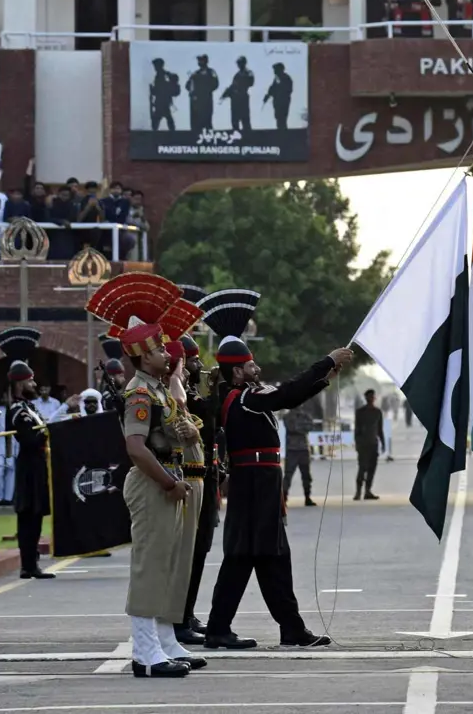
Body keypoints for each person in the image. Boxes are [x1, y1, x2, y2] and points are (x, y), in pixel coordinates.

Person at [202, 287, 349, 650]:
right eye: (251, 364)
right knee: (248, 555)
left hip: (261, 481)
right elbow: (286, 394)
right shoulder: (244, 398)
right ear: (237, 371)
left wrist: (323, 377)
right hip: (254, 482)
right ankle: (224, 627)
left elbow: (288, 393)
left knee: (269, 555)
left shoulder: (244, 397)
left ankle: (288, 628)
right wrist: (326, 362)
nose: (258, 368)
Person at [84, 274, 206, 678]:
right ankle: (145, 653)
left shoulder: (156, 390)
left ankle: (165, 641)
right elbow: (136, 449)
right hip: (154, 483)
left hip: (168, 481)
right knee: (150, 566)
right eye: (155, 349)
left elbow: (170, 433)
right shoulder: (139, 393)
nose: (164, 354)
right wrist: (170, 483)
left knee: (168, 565)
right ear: (140, 355)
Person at [0, 327, 55, 581]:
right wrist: (45, 433)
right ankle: (27, 564)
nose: (34, 384)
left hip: (38, 465)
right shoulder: (18, 411)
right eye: (30, 381)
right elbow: (30, 438)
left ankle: (32, 564)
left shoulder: (29, 409)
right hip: (29, 465)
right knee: (28, 517)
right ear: (21, 383)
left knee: (35, 516)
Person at [176, 331, 216, 645]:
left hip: (205, 475)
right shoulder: (179, 395)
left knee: (200, 550)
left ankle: (187, 613)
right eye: (191, 359)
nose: (197, 364)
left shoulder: (190, 391)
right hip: (187, 478)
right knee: (189, 551)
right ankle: (179, 617)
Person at [281, 402, 317, 507]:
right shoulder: (287, 416)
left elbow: (311, 426)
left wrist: (300, 428)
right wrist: (302, 428)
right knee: (288, 475)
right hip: (292, 449)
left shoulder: (305, 415)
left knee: (306, 475)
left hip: (303, 449)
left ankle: (307, 497)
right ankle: (284, 497)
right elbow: (293, 428)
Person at [354, 389, 383, 501]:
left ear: (374, 398)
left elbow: (380, 429)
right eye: (369, 397)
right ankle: (358, 492)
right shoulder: (360, 412)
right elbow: (357, 429)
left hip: (373, 444)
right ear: (366, 398)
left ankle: (368, 491)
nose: (371, 399)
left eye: (372, 397)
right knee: (362, 468)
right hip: (363, 445)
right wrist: (357, 444)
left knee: (372, 469)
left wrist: (383, 442)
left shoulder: (377, 412)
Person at [186, 55, 219, 132]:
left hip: (206, 100)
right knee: (195, 123)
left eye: (201, 60)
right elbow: (187, 86)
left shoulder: (211, 72)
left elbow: (215, 84)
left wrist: (205, 89)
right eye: (199, 61)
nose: (199, 62)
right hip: (195, 102)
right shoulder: (195, 74)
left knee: (207, 121)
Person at [221, 57, 255, 132]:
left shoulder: (248, 73)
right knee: (235, 120)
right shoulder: (237, 75)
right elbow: (233, 85)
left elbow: (250, 82)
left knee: (245, 119)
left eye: (240, 63)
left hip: (243, 98)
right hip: (235, 99)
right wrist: (226, 93)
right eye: (238, 63)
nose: (238, 65)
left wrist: (240, 85)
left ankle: (248, 137)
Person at [148, 59, 180, 131]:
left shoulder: (164, 76)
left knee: (159, 119)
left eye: (156, 66)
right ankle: (171, 132)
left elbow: (162, 88)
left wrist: (153, 90)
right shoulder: (161, 75)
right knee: (165, 118)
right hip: (162, 101)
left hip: (163, 101)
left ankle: (170, 133)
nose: (155, 68)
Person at [264, 63, 294, 131]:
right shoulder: (277, 78)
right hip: (277, 101)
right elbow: (272, 89)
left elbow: (288, 90)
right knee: (278, 118)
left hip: (283, 101)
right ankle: (280, 131)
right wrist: (268, 96)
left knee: (282, 118)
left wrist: (279, 93)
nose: (274, 71)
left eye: (275, 69)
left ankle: (282, 133)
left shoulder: (286, 78)